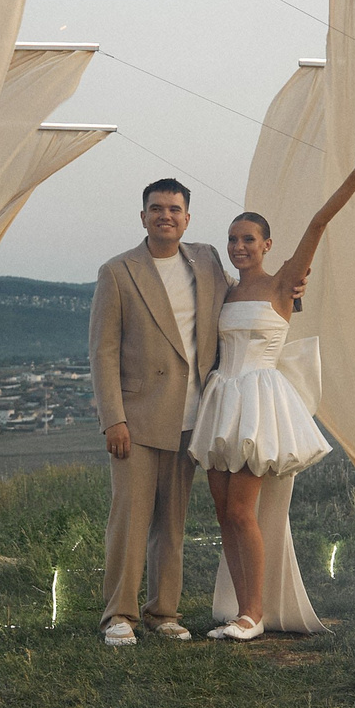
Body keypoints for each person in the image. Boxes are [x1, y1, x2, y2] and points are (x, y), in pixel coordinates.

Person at [189, 136, 355, 640]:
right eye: (233, 240)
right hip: (222, 397)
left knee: (242, 510)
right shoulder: (225, 290)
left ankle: (256, 612)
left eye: (249, 239)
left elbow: (318, 224)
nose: (239, 247)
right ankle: (240, 608)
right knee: (223, 513)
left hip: (257, 402)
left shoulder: (283, 283)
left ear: (267, 246)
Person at [89, 178, 227, 644]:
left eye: (174, 208)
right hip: (138, 417)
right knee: (129, 520)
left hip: (193, 417)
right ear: (142, 216)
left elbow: (240, 301)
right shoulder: (118, 272)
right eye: (156, 208)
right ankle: (118, 616)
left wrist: (290, 289)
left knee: (173, 521)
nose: (165, 215)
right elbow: (103, 351)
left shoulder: (207, 260)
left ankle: (163, 611)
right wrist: (114, 418)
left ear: (187, 218)